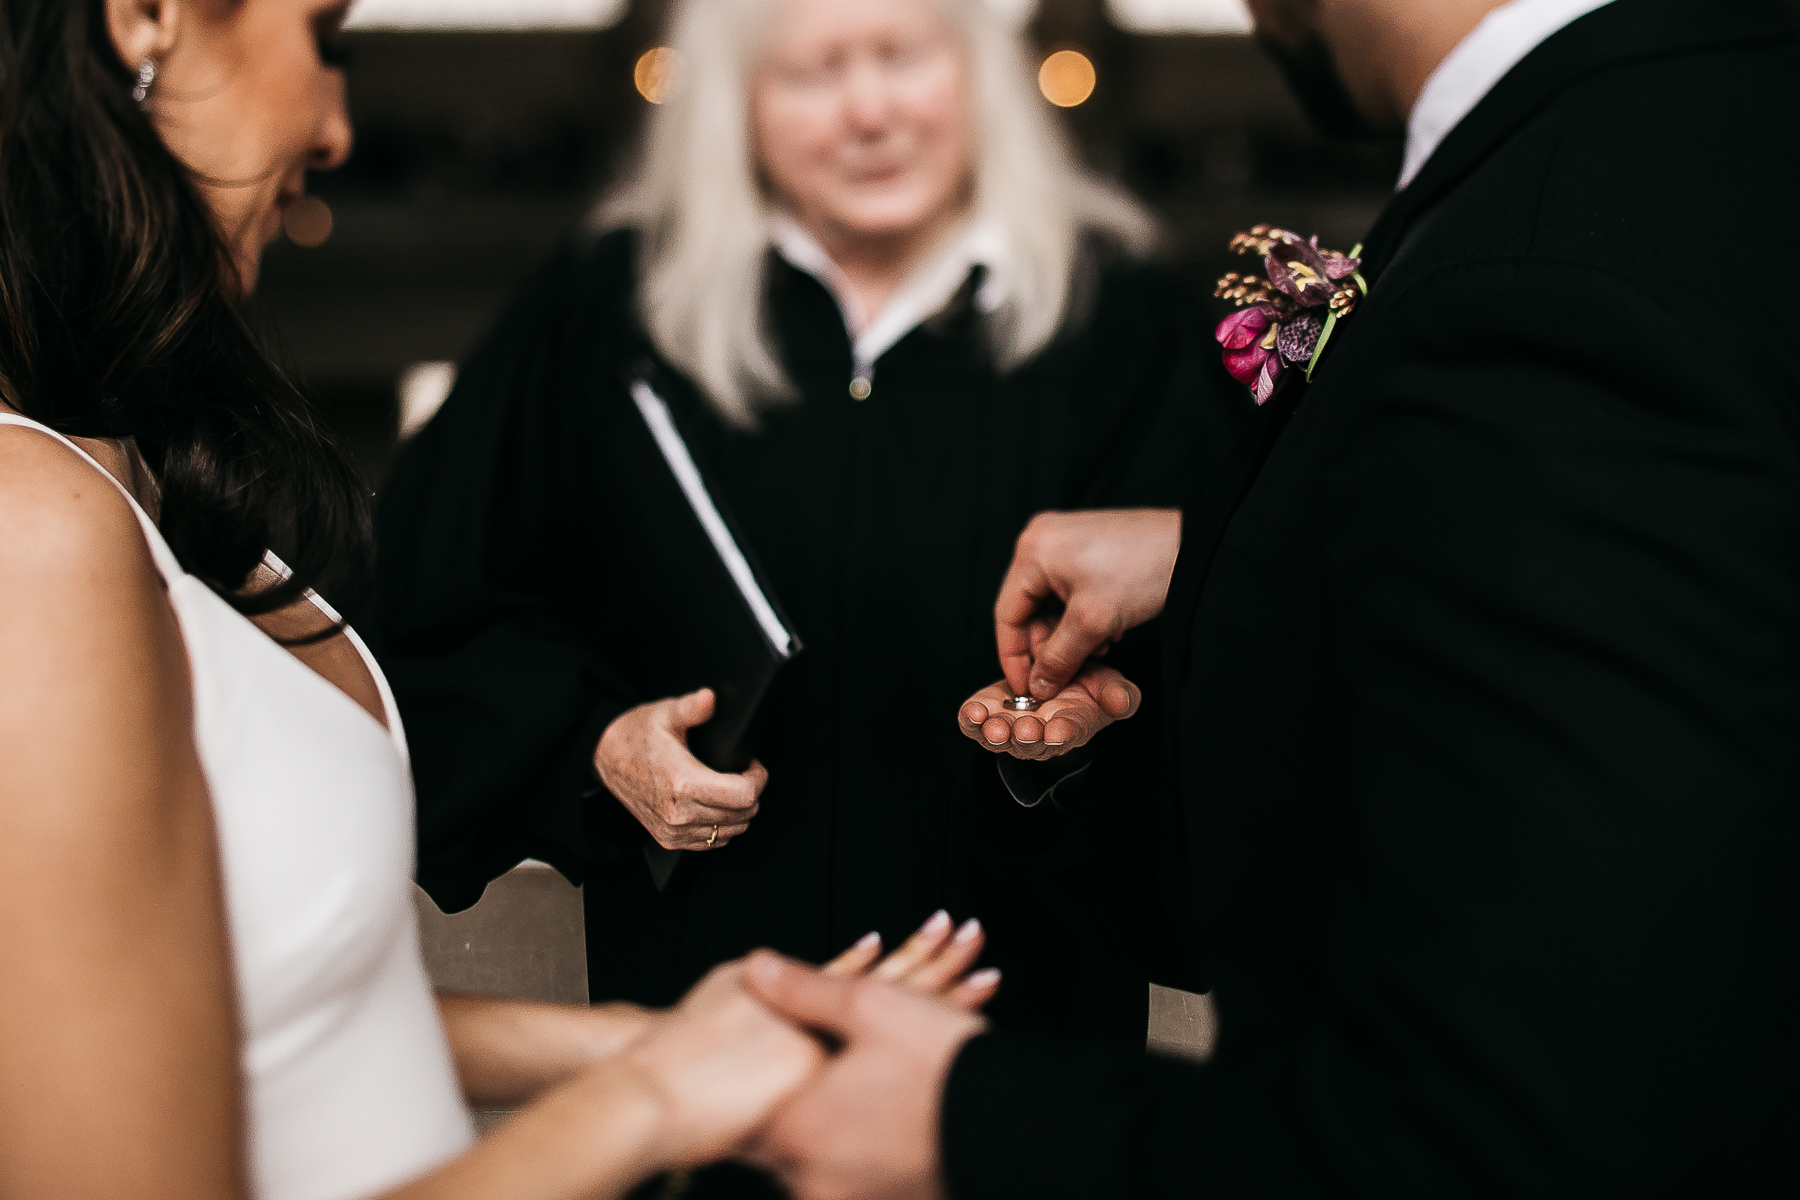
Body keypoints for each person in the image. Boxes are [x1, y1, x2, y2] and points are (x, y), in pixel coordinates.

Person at [726, 0, 1800, 1195]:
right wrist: (1218, 556)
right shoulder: (1705, 129)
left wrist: (964, 1121)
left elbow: (1520, 1115)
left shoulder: (1537, 270)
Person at [0, 3, 992, 1198]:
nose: (338, 128)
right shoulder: (32, 525)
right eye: (324, 37)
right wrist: (653, 1099)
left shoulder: (134, 474)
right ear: (148, 16)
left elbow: (281, 1011)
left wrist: (654, 1042)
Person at [373, 0, 1244, 1053]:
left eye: (902, 56)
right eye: (812, 73)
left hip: (1017, 1052)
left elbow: (1241, 668)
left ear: (978, 71)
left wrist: (1068, 757)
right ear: (736, 102)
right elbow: (432, 607)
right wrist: (592, 747)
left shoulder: (1125, 325)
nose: (869, 112)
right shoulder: (611, 311)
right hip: (695, 1032)